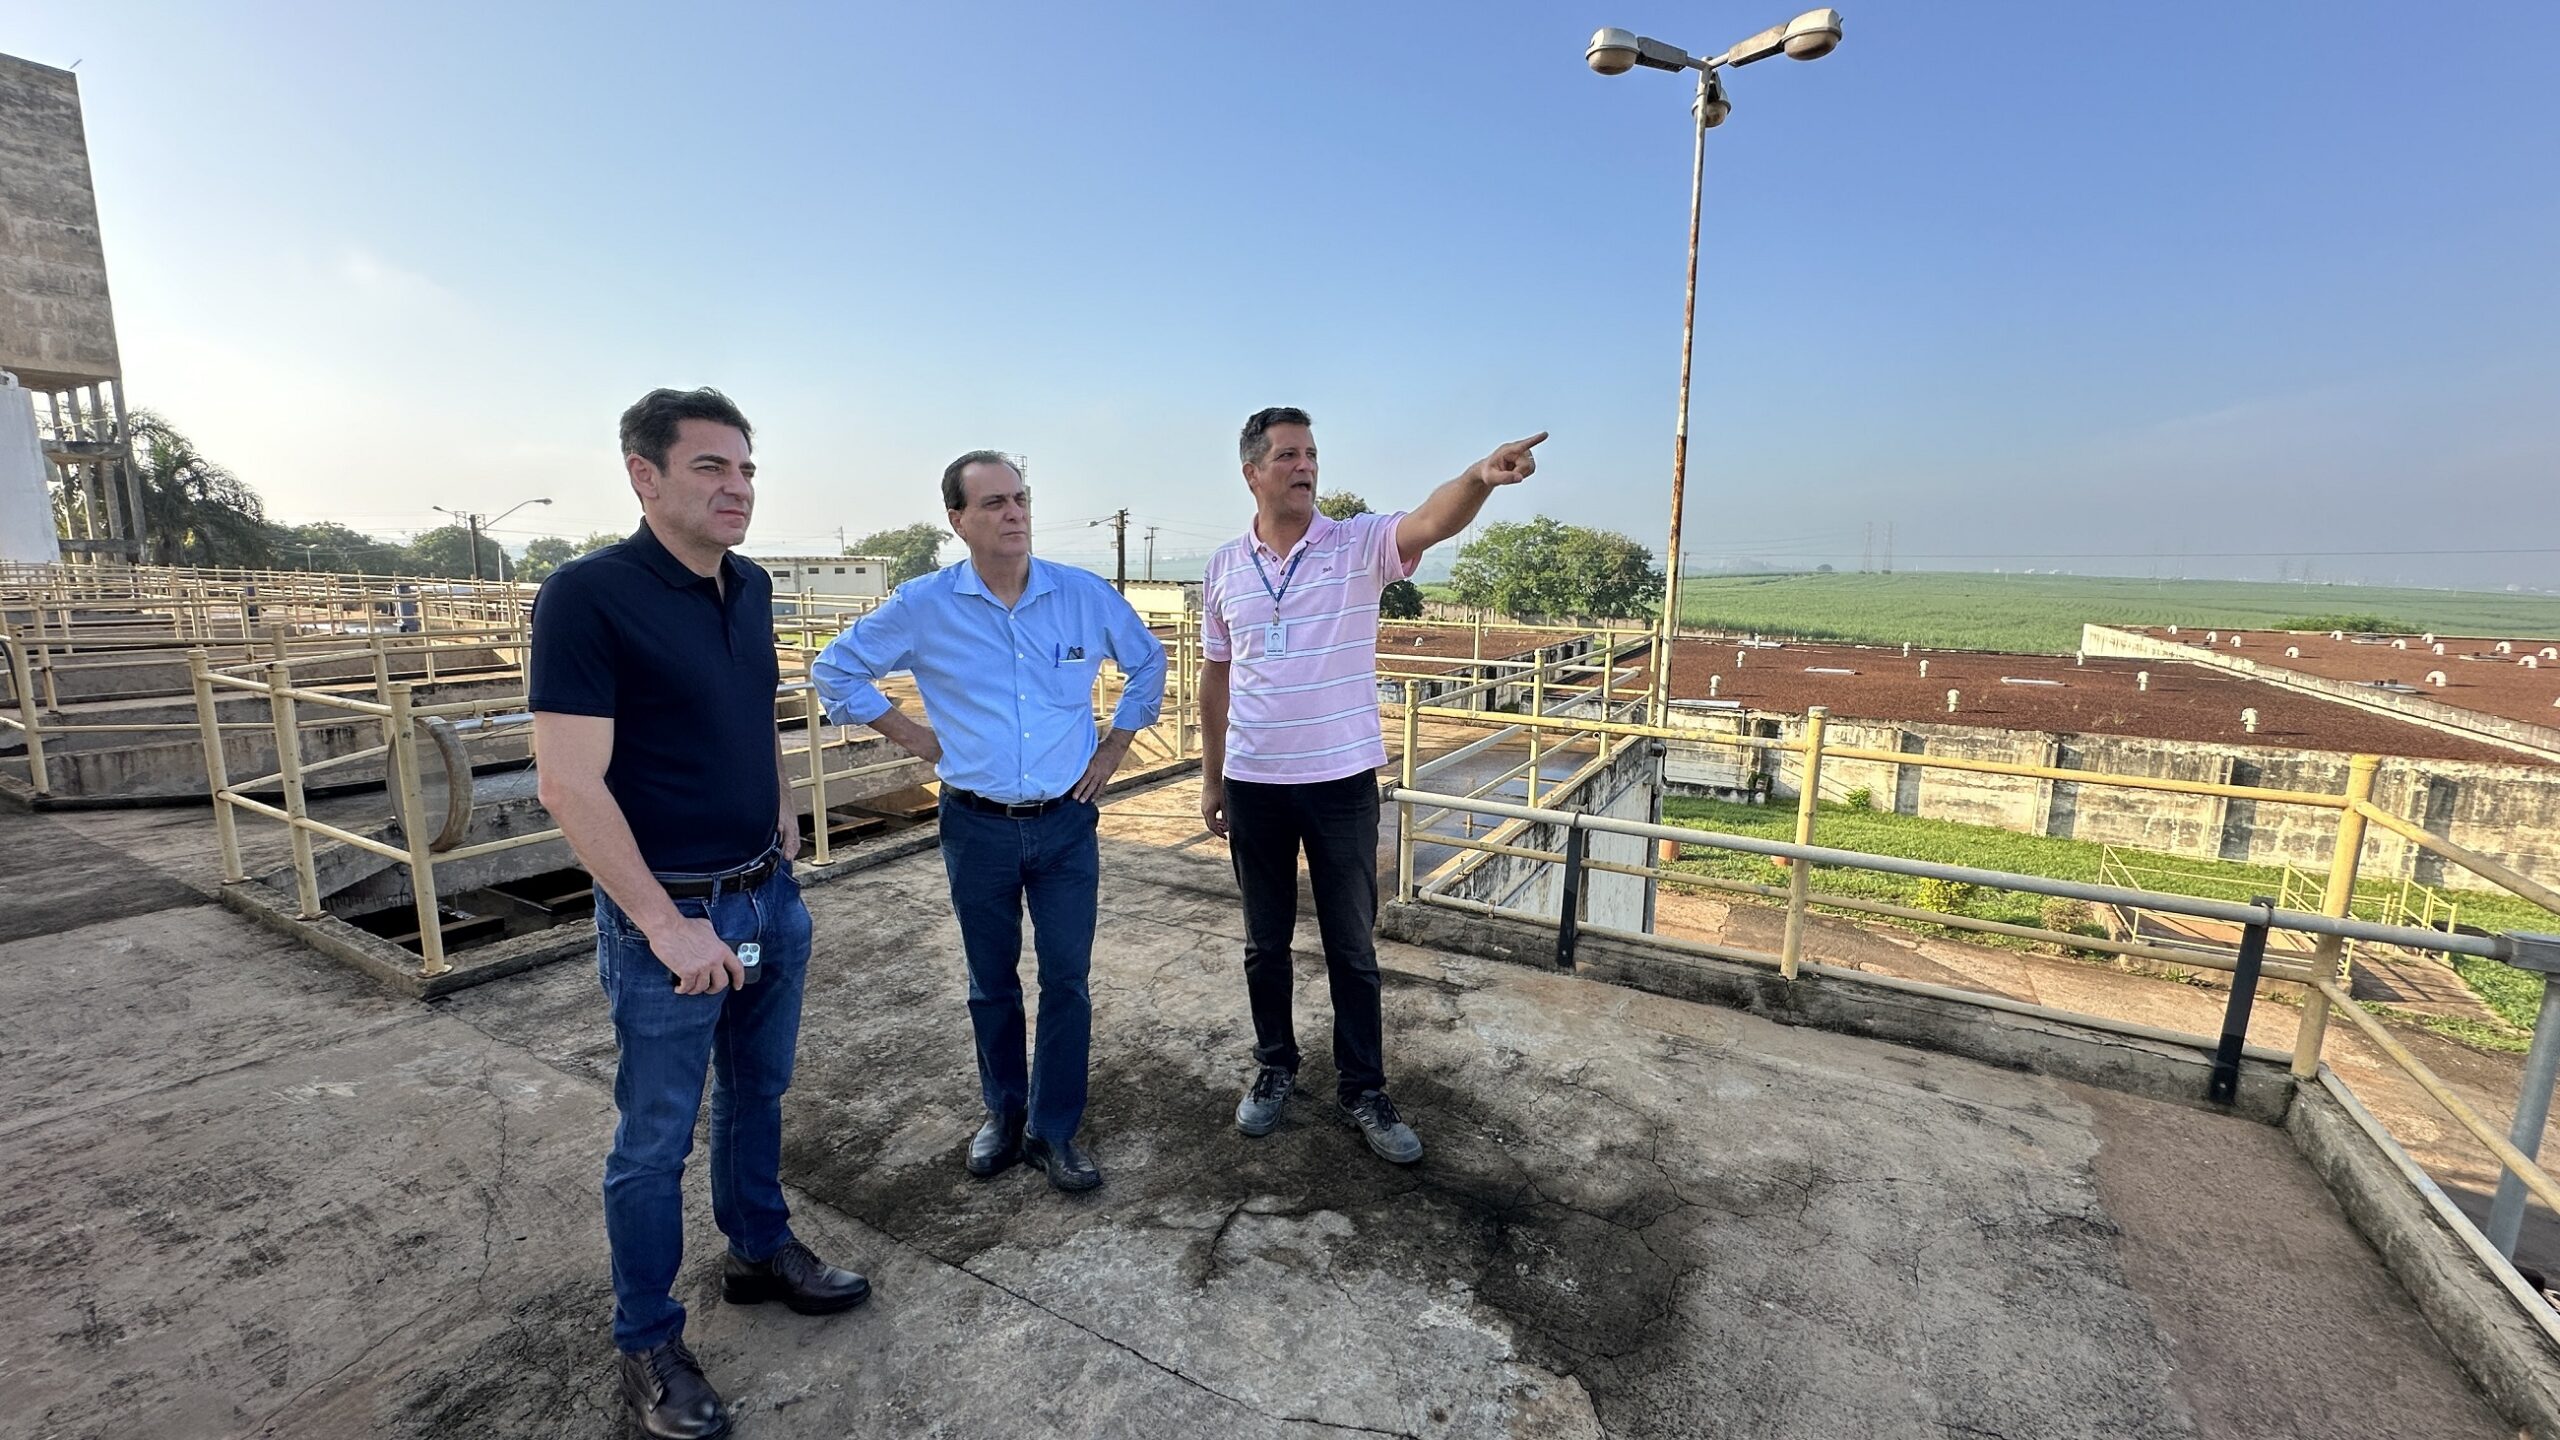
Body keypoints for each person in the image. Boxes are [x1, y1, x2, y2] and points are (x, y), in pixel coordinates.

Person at [532, 388, 869, 1440]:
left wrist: (779, 817)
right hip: (666, 921)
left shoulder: (751, 584)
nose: (739, 489)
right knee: (652, 1140)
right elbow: (568, 783)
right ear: (644, 475)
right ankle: (647, 1343)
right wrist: (665, 926)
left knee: (759, 1095)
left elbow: (752, 710)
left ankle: (759, 1251)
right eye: (713, 469)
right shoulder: (587, 597)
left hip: (764, 890)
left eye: (748, 469)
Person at [813, 450, 1166, 1192]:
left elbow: (1148, 663)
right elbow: (834, 671)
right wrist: (913, 737)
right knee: (990, 982)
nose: (1014, 514)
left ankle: (1056, 1130)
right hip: (976, 825)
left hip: (1067, 822)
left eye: (1021, 499)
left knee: (1066, 980)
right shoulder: (923, 604)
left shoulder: (1082, 596)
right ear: (958, 521)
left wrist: (1115, 745)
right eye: (995, 503)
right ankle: (1004, 1116)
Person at [1199, 407, 1544, 1164]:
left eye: (1311, 453)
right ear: (1252, 471)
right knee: (1265, 944)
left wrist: (1480, 479)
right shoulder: (1224, 566)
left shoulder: (1355, 545)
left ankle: (1363, 1089)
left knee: (1351, 946)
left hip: (1341, 782)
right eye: (1287, 455)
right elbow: (1216, 677)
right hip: (1254, 781)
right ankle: (1274, 1068)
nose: (1305, 466)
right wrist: (1211, 775)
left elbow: (1430, 520)